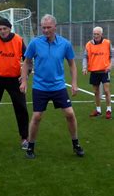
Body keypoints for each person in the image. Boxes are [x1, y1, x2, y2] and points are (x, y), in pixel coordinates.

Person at [19, 14, 85, 159]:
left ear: (55, 27)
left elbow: (72, 64)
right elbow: (26, 62)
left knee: (70, 114)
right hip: (40, 87)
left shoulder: (65, 44)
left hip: (58, 87)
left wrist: (74, 83)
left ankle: (76, 144)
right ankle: (30, 147)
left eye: (49, 27)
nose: (46, 30)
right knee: (37, 116)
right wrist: (24, 81)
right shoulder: (35, 43)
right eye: (43, 28)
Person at [0, 18, 29, 149]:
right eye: (0, 29)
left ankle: (24, 137)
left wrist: (25, 77)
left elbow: (27, 59)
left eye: (5, 29)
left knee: (21, 108)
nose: (2, 31)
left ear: (10, 28)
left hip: (15, 79)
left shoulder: (18, 40)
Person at [82, 26, 112, 119]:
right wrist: (84, 67)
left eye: (97, 34)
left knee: (106, 91)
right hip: (94, 71)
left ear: (101, 34)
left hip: (104, 71)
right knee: (96, 92)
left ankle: (108, 110)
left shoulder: (107, 43)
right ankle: (98, 110)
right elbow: (85, 57)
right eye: (94, 34)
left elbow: (112, 55)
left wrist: (110, 66)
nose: (95, 36)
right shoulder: (89, 44)